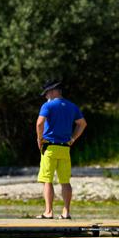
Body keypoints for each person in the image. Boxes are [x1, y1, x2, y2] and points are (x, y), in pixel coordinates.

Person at [36, 81, 87, 219]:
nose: (46, 96)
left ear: (53, 91)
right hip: (65, 148)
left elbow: (40, 123)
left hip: (50, 147)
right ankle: (66, 212)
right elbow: (82, 124)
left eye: (46, 93)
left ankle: (48, 212)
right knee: (65, 181)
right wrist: (73, 139)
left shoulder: (48, 105)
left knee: (47, 180)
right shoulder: (72, 106)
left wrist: (39, 139)